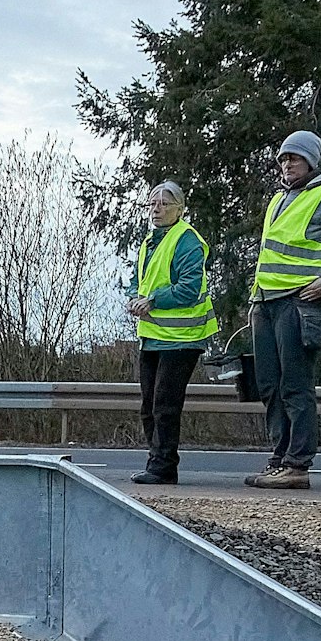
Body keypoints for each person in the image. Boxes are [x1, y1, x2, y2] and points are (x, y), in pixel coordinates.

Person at [243, 131, 321, 489]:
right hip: (267, 302)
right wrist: (255, 299)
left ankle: (297, 463)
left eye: (295, 158)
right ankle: (279, 458)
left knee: (295, 386)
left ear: (312, 161)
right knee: (269, 384)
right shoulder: (278, 199)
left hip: (299, 304)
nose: (287, 164)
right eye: (283, 158)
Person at [124, 181, 220, 485]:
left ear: (180, 209)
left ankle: (163, 465)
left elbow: (188, 290)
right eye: (152, 203)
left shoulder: (187, 241)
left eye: (165, 203)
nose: (157, 208)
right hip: (153, 337)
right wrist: (134, 297)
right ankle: (158, 461)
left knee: (165, 404)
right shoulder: (150, 241)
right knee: (149, 404)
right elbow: (139, 281)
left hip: (182, 338)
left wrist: (152, 300)